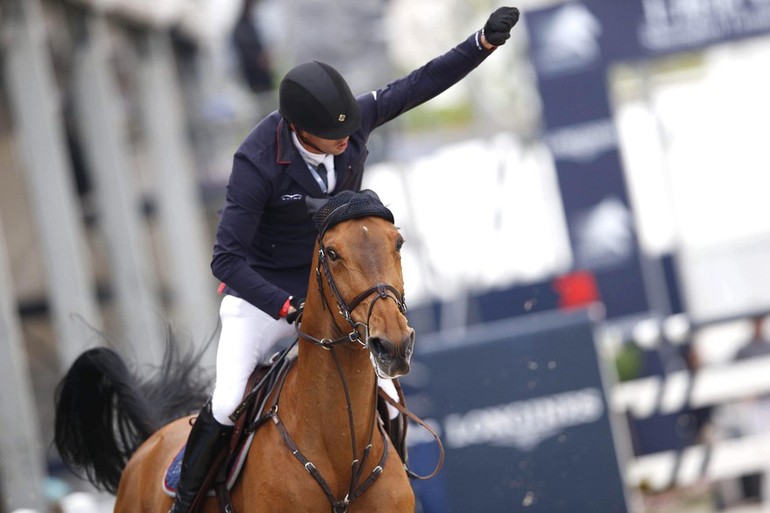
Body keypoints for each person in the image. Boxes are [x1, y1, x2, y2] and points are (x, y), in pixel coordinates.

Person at [169, 7, 520, 513]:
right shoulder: (257, 162)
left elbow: (418, 85)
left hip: (341, 288)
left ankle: (384, 484)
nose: (344, 146)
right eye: (331, 140)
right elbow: (225, 261)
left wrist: (481, 43)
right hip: (263, 296)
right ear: (297, 130)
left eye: (347, 137)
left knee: (389, 397)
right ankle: (187, 504)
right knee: (226, 402)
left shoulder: (346, 125)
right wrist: (286, 308)